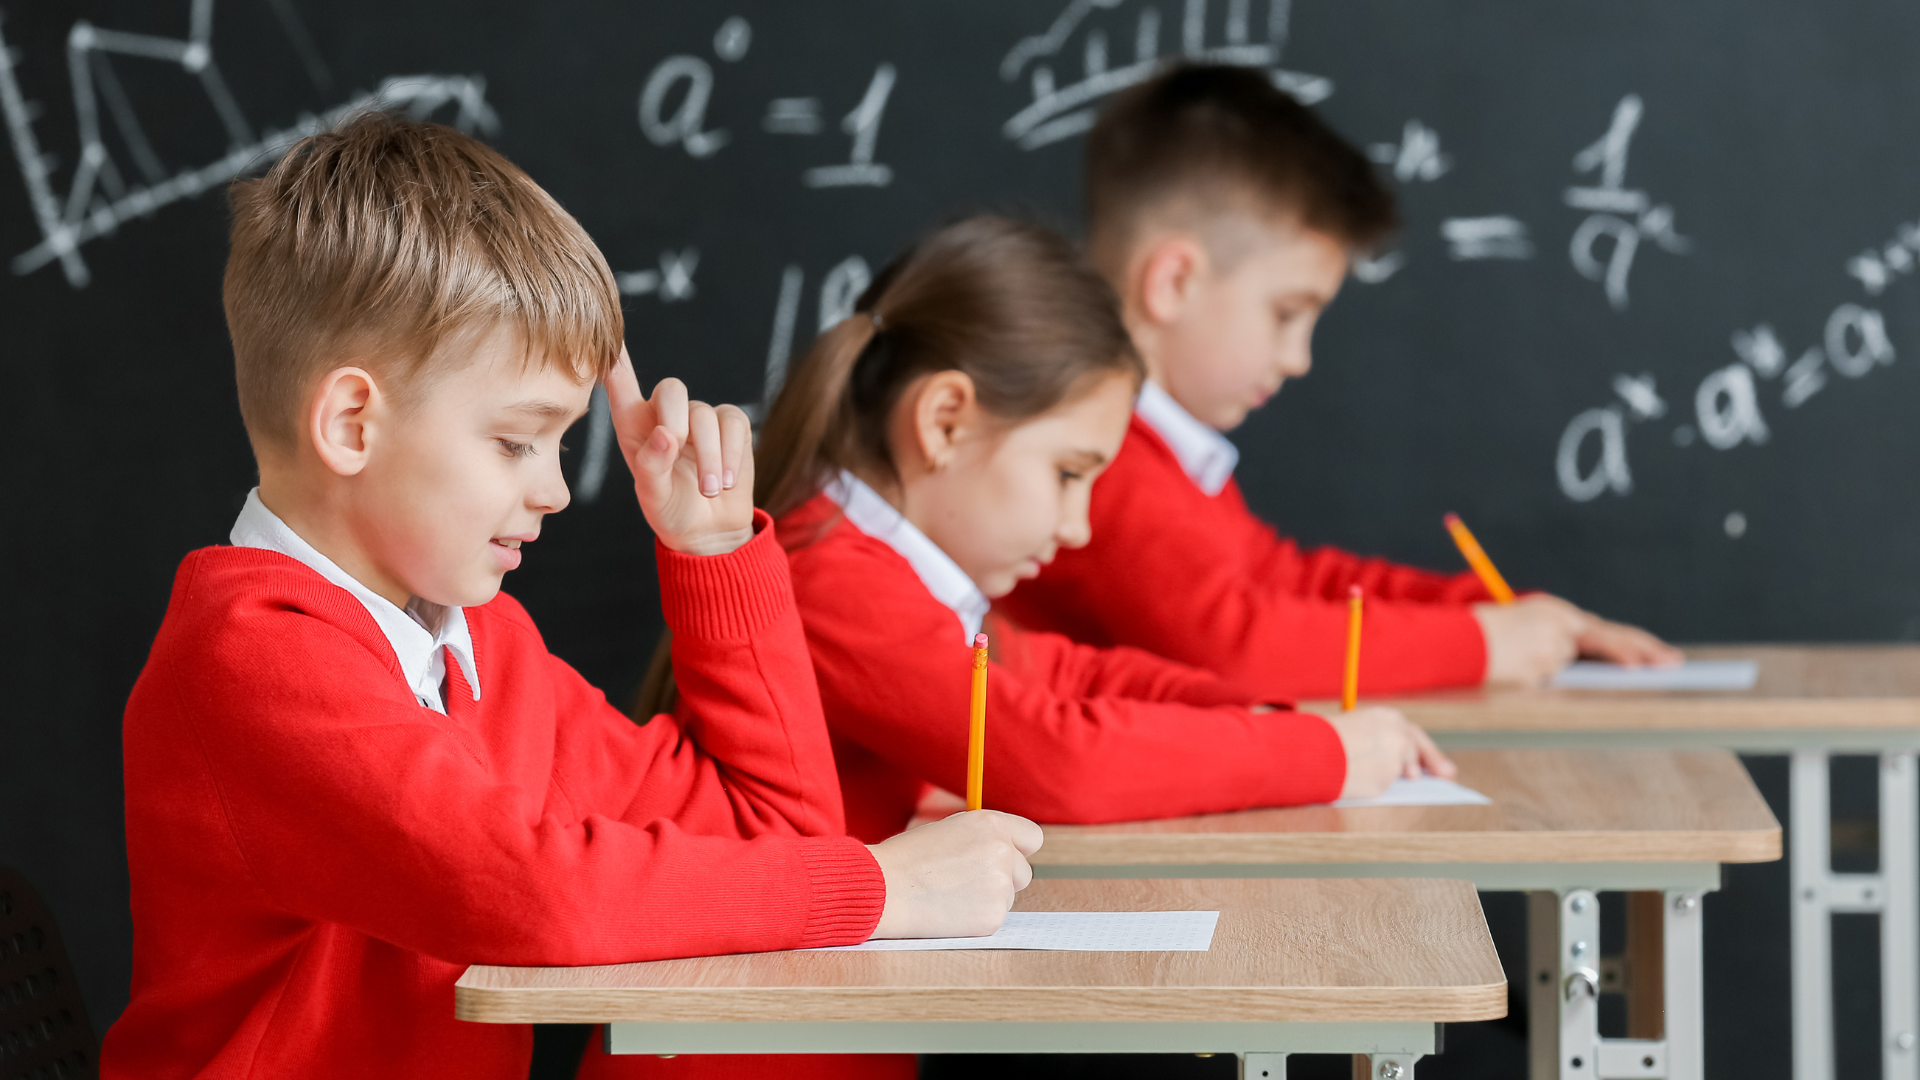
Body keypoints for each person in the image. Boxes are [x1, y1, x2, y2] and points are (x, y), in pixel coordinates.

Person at [102, 112, 1039, 1080]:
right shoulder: (255, 658)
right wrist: (880, 889)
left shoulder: (479, 648)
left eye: (560, 444)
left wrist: (714, 552)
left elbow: (774, 830)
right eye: (516, 441)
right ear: (350, 423)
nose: (553, 488)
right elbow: (532, 893)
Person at [736, 214, 1450, 847]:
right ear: (944, 420)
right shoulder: (826, 574)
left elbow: (1067, 675)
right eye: (1068, 474)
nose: (1076, 527)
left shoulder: (861, 556)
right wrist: (1324, 755)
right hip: (767, 989)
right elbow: (1053, 761)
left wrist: (1254, 715)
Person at [998, 64, 1680, 699]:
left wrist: (1495, 613)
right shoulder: (1099, 458)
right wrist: (1479, 643)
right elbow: (1233, 648)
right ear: (1175, 281)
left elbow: (1285, 582)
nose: (1299, 359)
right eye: (1286, 314)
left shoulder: (1161, 452)